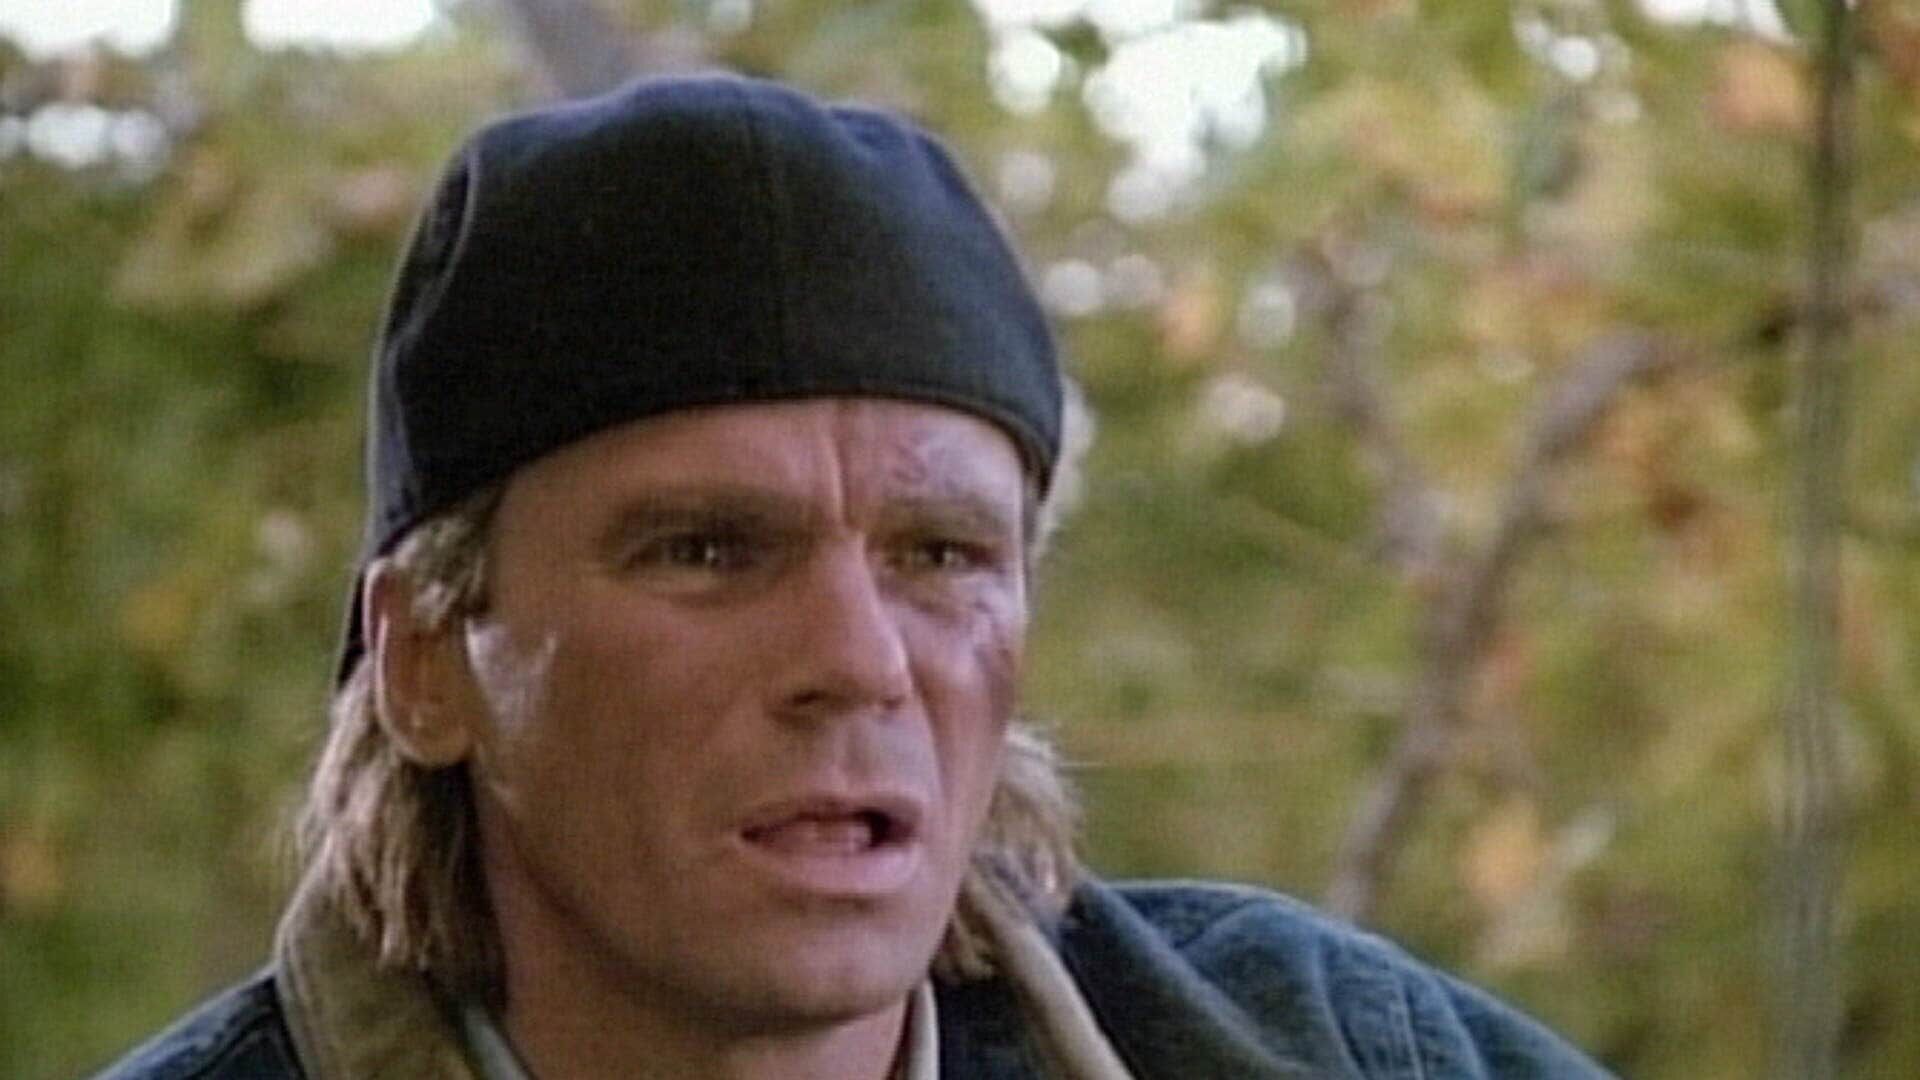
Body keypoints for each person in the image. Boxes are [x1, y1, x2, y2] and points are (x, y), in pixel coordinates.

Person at [95, 75, 1611, 1079]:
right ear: (428, 660)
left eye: (940, 556)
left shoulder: (1312, 1044)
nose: (859, 660)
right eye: (705, 551)